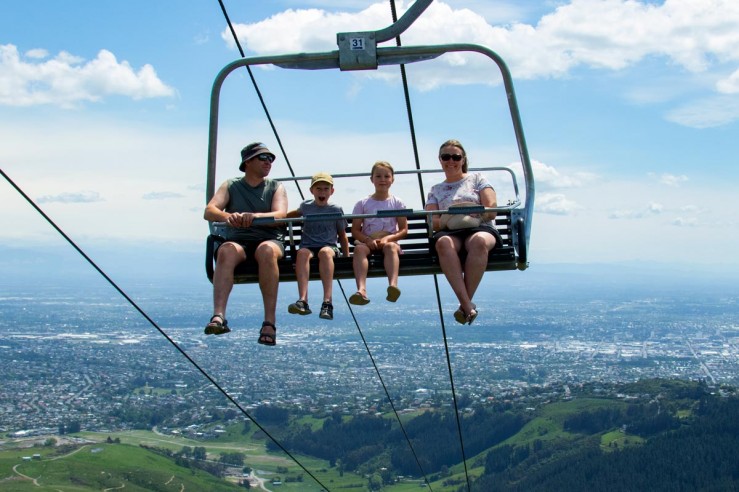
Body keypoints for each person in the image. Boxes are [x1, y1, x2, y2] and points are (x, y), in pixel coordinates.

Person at [203, 142, 288, 346]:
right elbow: (209, 211)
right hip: (239, 240)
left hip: (268, 240)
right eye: (263, 158)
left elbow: (280, 214)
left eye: (270, 159)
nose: (268, 162)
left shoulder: (275, 187)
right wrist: (229, 216)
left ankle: (269, 322)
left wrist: (255, 217)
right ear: (248, 162)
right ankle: (218, 316)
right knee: (225, 251)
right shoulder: (231, 185)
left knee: (266, 251)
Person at [425, 139, 501, 325]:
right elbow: (432, 220)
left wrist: (471, 212)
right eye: (446, 157)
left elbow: (491, 209)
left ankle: (465, 304)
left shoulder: (477, 179)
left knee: (479, 242)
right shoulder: (436, 190)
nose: (451, 161)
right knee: (443, 244)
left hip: (479, 226)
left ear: (463, 159)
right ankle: (467, 305)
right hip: (450, 231)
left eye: (455, 157)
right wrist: (450, 219)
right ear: (440, 160)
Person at [286, 172, 350, 320]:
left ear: (331, 191)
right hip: (308, 246)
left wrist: (347, 258)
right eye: (318, 189)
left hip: (329, 246)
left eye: (325, 189)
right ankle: (303, 300)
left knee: (325, 253)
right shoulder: (306, 206)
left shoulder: (335, 209)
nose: (322, 192)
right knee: (302, 253)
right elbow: (292, 214)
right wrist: (277, 217)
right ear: (312, 191)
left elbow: (342, 235)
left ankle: (327, 302)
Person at [349, 161, 408, 305]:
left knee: (391, 248)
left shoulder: (397, 203)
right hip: (369, 241)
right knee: (359, 249)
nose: (383, 180)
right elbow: (355, 230)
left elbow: (403, 229)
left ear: (392, 179)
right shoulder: (362, 203)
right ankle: (361, 290)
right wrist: (367, 239)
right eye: (378, 176)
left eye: (386, 176)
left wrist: (389, 238)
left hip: (389, 241)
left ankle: (393, 285)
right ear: (372, 179)